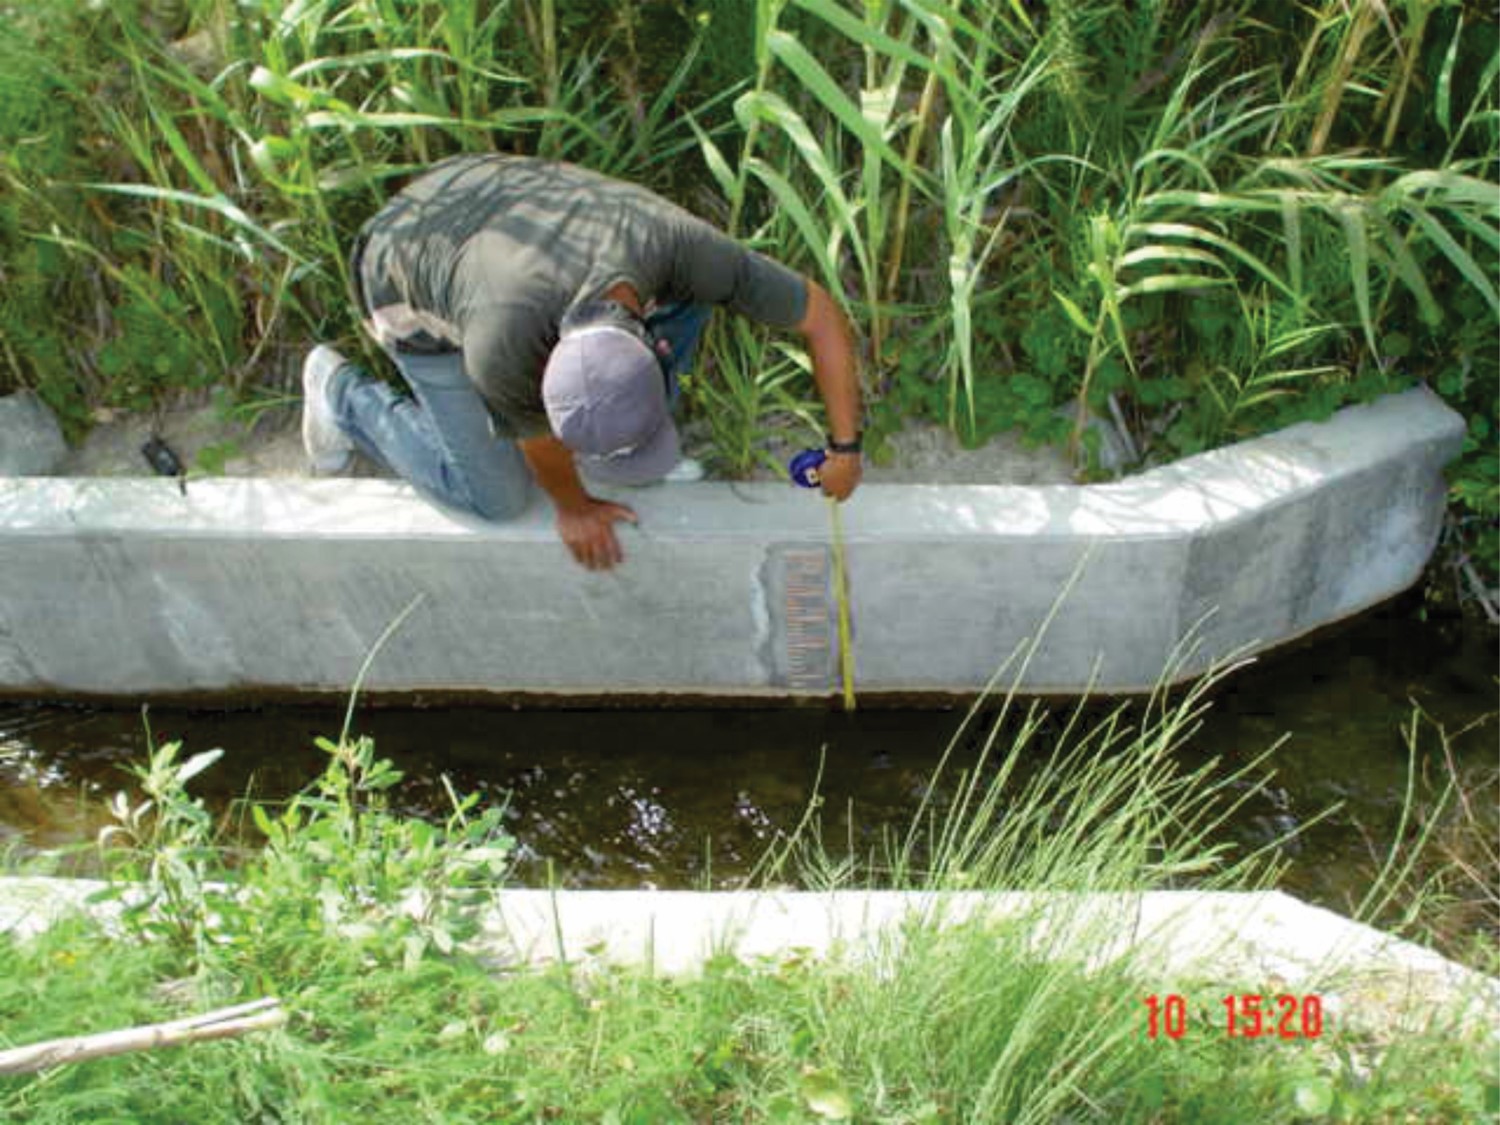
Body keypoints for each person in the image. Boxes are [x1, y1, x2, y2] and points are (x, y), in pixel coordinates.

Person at [301, 153, 864, 571]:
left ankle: (618, 431)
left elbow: (819, 316)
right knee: (498, 497)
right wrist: (573, 508)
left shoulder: (684, 251)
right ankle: (340, 394)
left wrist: (845, 448)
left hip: (491, 194)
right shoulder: (503, 351)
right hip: (404, 259)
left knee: (690, 303)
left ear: (653, 344)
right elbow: (537, 441)